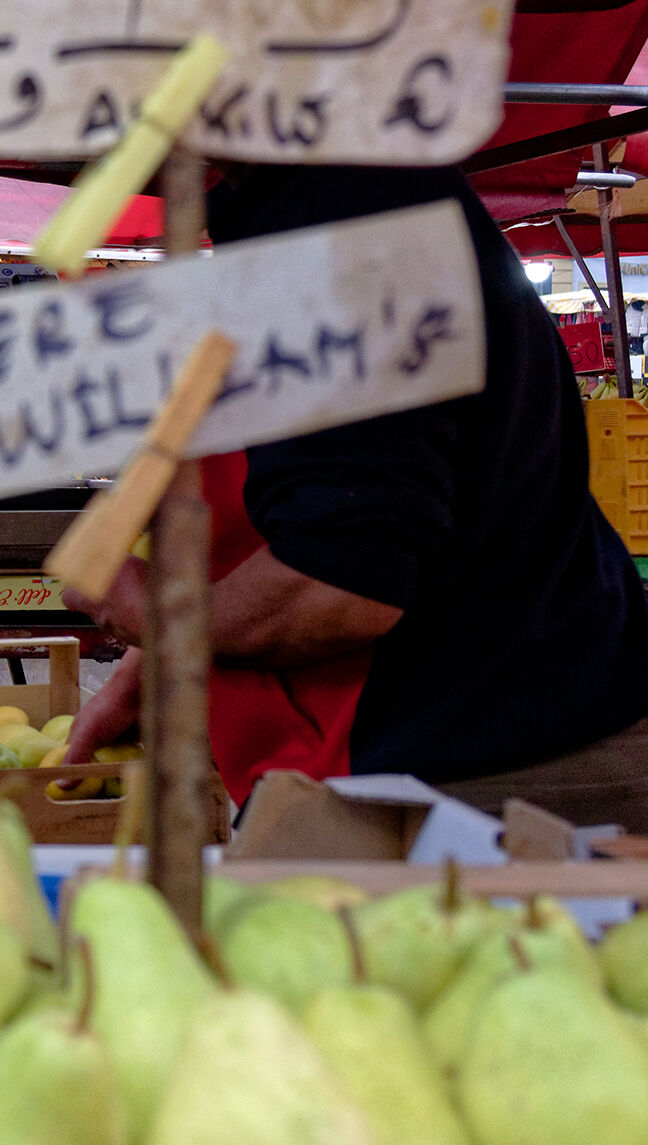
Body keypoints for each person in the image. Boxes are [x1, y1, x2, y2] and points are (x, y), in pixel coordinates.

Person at [62, 165, 648, 827]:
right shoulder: (297, 208)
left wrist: (150, 614)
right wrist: (141, 676)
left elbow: (338, 588)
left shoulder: (340, 216)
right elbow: (317, 491)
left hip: (475, 776)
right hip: (441, 747)